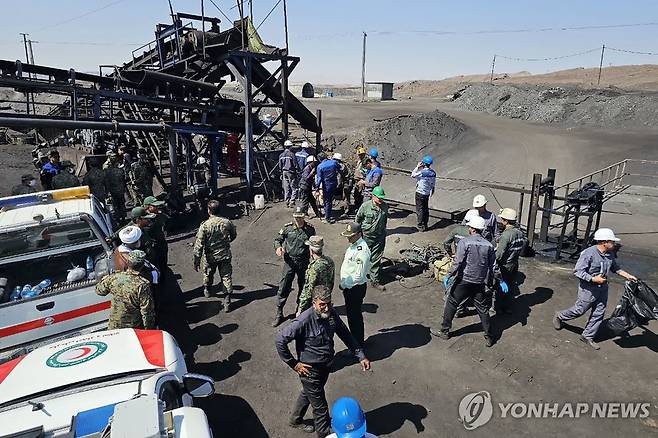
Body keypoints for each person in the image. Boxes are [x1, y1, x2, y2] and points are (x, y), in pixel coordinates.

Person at [275, 285, 371, 438]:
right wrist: (294, 363)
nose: (326, 308)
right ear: (314, 303)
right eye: (322, 304)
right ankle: (324, 434)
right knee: (320, 409)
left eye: (329, 303)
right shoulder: (303, 321)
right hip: (310, 371)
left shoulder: (331, 314)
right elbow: (280, 340)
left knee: (309, 393)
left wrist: (361, 355)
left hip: (326, 367)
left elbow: (345, 334)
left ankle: (295, 419)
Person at [553, 228, 637, 350]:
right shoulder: (588, 253)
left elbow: (615, 268)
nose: (614, 244)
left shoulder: (610, 254)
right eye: (612, 242)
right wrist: (593, 279)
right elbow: (578, 271)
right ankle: (560, 316)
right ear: (604, 242)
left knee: (599, 313)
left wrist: (628, 276)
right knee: (579, 310)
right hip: (588, 289)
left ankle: (587, 336)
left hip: (602, 289)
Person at [433, 215, 501, 347]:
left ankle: (445, 331)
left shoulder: (465, 242)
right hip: (479, 282)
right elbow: (494, 266)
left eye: (470, 226)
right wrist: (500, 279)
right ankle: (489, 336)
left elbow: (458, 262)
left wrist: (449, 274)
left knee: (451, 303)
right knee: (482, 309)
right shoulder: (488, 245)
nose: (468, 228)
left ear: (473, 229)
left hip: (464, 280)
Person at [272, 207, 316, 327]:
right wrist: (278, 247)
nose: (298, 220)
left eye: (300, 217)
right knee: (284, 285)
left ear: (304, 216)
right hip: (290, 262)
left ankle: (300, 309)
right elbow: (278, 239)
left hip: (304, 262)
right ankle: (279, 312)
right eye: (296, 217)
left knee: (303, 286)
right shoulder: (287, 228)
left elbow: (313, 244)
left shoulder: (310, 230)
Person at [193, 200, 237, 310]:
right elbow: (233, 235)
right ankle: (227, 300)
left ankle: (207, 289)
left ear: (209, 211)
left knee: (208, 274)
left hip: (210, 256)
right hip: (224, 254)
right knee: (226, 276)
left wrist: (196, 259)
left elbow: (199, 244)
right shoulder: (227, 222)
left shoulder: (205, 225)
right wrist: (226, 243)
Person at [96, 250, 155, 330]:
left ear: (128, 262)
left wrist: (104, 279)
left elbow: (99, 291)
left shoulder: (114, 277)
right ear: (142, 265)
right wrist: (149, 330)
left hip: (114, 325)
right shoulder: (143, 285)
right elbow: (147, 312)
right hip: (133, 328)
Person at [339, 222, 371, 347]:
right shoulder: (354, 245)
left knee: (354, 318)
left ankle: (357, 346)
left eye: (351, 235)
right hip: (350, 288)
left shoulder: (361, 250)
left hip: (354, 288)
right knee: (353, 317)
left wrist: (344, 284)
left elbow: (358, 276)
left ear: (358, 234)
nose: (348, 237)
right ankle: (357, 343)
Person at [355, 186, 388, 291]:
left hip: (379, 237)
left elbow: (385, 220)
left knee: (376, 260)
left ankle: (375, 281)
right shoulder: (365, 206)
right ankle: (357, 278)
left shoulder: (385, 207)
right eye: (379, 197)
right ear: (373, 196)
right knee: (362, 257)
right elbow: (358, 220)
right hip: (366, 237)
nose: (380, 199)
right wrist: (357, 235)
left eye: (382, 197)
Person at [495, 208, 526, 314]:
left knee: (500, 287)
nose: (501, 221)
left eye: (502, 219)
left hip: (505, 266)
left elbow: (499, 254)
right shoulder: (520, 233)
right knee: (510, 286)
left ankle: (498, 308)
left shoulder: (506, 235)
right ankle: (507, 307)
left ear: (506, 221)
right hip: (514, 264)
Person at [297, 236, 335, 315]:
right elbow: (332, 280)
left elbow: (308, 289)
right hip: (326, 297)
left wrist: (300, 308)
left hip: (317, 302)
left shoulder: (314, 267)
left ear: (311, 250)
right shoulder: (329, 261)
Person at [143, 196, 169, 274]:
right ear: (148, 207)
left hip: (162, 243)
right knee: (155, 266)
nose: (158, 207)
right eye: (155, 206)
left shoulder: (159, 215)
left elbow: (167, 220)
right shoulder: (143, 218)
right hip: (152, 247)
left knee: (163, 263)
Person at [411, 155, 437, 231]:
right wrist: (432, 191)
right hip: (427, 193)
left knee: (420, 209)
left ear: (424, 163)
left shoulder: (422, 172)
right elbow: (433, 184)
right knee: (425, 209)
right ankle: (425, 224)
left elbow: (413, 175)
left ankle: (420, 226)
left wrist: (417, 167)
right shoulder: (433, 173)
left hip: (420, 192)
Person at [315, 154, 340, 223]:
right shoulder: (333, 162)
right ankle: (328, 214)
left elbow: (319, 178)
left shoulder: (320, 166)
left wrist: (317, 188)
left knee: (327, 201)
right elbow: (339, 168)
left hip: (326, 186)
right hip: (334, 184)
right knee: (330, 200)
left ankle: (327, 217)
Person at [104, 152, 127, 222]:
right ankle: (123, 218)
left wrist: (107, 192)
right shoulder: (121, 171)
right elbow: (124, 180)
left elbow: (106, 182)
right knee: (122, 204)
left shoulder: (107, 171)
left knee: (115, 205)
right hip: (120, 190)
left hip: (112, 191)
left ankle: (117, 219)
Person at [279, 140, 298, 207]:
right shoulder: (292, 154)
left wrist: (281, 173)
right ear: (290, 147)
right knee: (293, 187)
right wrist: (297, 172)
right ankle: (292, 201)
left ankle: (286, 201)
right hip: (291, 172)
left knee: (286, 187)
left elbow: (280, 165)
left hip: (284, 172)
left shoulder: (281, 155)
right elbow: (295, 165)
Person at [352, 147, 369, 211]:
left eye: (361, 154)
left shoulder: (365, 162)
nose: (360, 156)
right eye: (359, 154)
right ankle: (356, 206)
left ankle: (359, 207)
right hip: (357, 180)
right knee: (356, 194)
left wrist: (364, 180)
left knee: (360, 195)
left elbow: (366, 172)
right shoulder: (359, 161)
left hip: (361, 180)